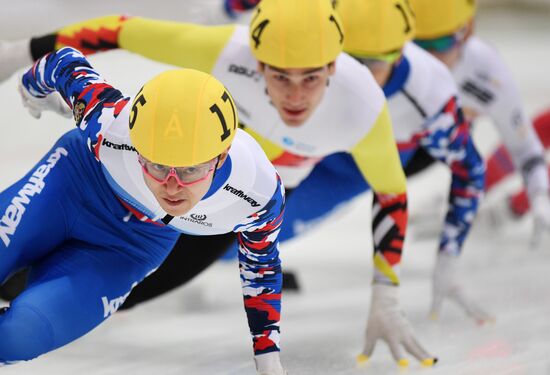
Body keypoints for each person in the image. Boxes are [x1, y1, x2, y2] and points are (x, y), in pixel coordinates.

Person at [0, 0, 437, 367]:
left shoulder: (345, 120)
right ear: (257, 63)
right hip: (92, 181)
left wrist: (385, 292)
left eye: (311, 77)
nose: (295, 95)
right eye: (279, 75)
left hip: (156, 232)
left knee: (27, 331)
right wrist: (24, 69)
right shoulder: (117, 122)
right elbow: (86, 51)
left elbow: (266, 264)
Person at [0, 47, 287, 374]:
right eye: (156, 165)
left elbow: (261, 267)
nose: (172, 185)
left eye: (191, 170)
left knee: (19, 336)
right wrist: (32, 89)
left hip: (129, 246)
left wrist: (268, 361)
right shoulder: (111, 125)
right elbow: (61, 61)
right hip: (73, 185)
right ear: (137, 148)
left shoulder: (255, 191)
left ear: (221, 157)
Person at [409, 0, 550, 246]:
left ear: (468, 31)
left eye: (441, 43)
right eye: (419, 44)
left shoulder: (487, 72)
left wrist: (522, 203)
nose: (431, 58)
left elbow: (525, 145)